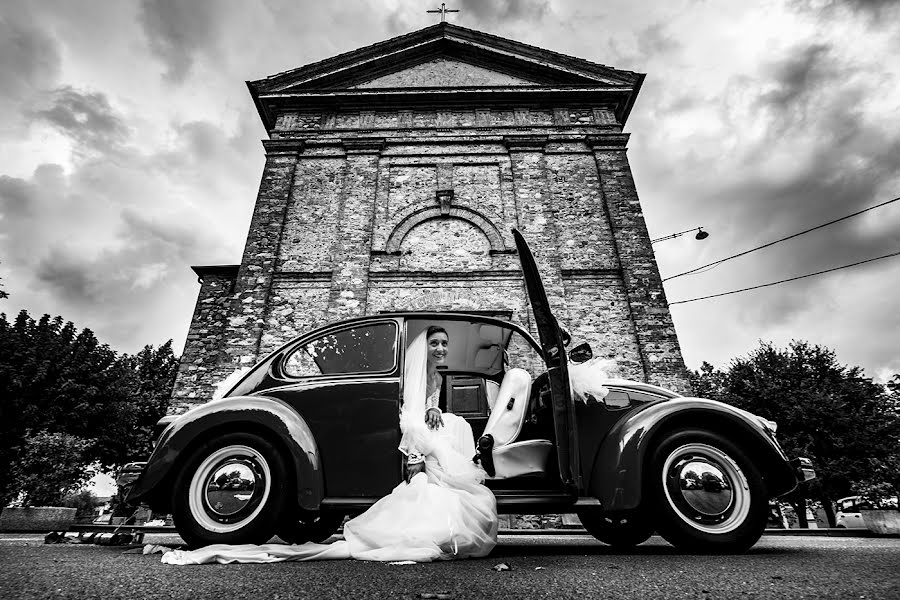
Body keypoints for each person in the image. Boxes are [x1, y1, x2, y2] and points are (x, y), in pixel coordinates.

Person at [161, 325, 498, 565]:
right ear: (425, 346)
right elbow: (408, 415)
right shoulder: (412, 372)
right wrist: (414, 453)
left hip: (419, 422)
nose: (440, 349)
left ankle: (449, 479)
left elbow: (424, 406)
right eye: (435, 343)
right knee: (452, 433)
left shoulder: (437, 376)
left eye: (444, 344)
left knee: (454, 422)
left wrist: (434, 407)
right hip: (406, 426)